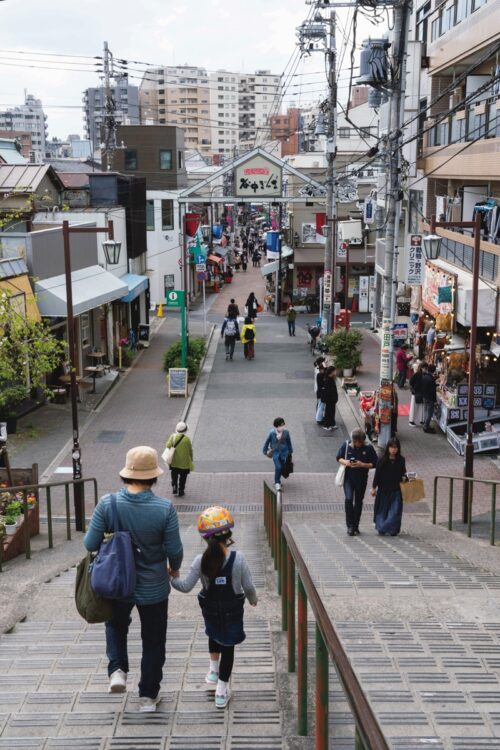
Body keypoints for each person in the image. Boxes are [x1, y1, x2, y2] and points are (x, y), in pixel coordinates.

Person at [83, 446, 183, 712]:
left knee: (116, 626)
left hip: (117, 585)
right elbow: (174, 549)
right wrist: (174, 569)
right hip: (154, 588)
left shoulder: (108, 504)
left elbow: (89, 543)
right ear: (153, 477)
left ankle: (117, 671)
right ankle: (148, 697)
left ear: (126, 475)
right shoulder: (165, 509)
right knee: (153, 639)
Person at [170, 507, 257, 709]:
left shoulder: (201, 561)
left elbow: (185, 586)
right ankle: (221, 690)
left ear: (205, 538)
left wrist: (172, 577)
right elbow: (249, 586)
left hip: (211, 610)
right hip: (233, 611)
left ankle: (212, 670)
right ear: (228, 534)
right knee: (228, 647)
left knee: (214, 633)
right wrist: (253, 599)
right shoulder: (239, 559)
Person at [336, 429, 378, 536]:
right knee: (349, 499)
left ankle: (356, 525)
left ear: (363, 440)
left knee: (358, 502)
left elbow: (375, 463)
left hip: (361, 479)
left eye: (359, 441)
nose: (357, 444)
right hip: (348, 478)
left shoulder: (368, 448)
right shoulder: (346, 445)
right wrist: (347, 462)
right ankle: (350, 526)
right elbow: (338, 458)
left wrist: (362, 464)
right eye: (355, 441)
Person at [371, 437, 407, 536]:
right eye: (391, 447)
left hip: (396, 490)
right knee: (382, 511)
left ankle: (389, 528)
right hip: (383, 490)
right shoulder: (382, 460)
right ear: (388, 448)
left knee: (395, 512)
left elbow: (403, 473)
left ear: (398, 448)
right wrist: (374, 488)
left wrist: (405, 477)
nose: (393, 449)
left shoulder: (401, 460)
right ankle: (382, 527)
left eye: (395, 447)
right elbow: (377, 475)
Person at [262, 417, 293, 490]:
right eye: (280, 425)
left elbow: (288, 442)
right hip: (275, 454)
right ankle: (277, 483)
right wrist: (265, 451)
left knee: (280, 468)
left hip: (284, 453)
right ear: (277, 426)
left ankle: (277, 481)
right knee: (278, 467)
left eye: (283, 425)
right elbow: (267, 442)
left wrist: (290, 451)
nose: (282, 427)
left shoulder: (286, 432)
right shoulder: (272, 433)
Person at [165, 422, 194, 497]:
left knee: (174, 475)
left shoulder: (173, 437)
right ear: (186, 430)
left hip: (174, 461)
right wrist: (191, 458)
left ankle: (174, 486)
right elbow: (190, 450)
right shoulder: (187, 439)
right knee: (183, 477)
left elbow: (167, 445)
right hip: (184, 463)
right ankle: (181, 490)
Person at [408, 361, 427, 427]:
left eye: (426, 368)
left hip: (420, 393)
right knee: (414, 407)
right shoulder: (417, 374)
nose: (425, 369)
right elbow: (411, 382)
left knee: (421, 407)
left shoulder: (423, 374)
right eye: (425, 368)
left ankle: (421, 420)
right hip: (416, 393)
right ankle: (411, 421)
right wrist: (413, 389)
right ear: (421, 368)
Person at [320, 365, 339, 431]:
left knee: (332, 412)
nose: (336, 372)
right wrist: (332, 399)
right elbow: (328, 392)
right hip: (329, 400)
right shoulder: (328, 380)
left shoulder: (331, 379)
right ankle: (326, 425)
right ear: (331, 372)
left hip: (332, 400)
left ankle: (332, 424)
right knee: (328, 412)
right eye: (334, 371)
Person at [421, 363, 437, 433]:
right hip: (430, 398)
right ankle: (426, 427)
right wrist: (434, 400)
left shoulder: (424, 376)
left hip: (425, 396)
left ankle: (425, 424)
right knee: (429, 413)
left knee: (425, 411)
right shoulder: (431, 378)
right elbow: (433, 390)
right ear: (433, 371)